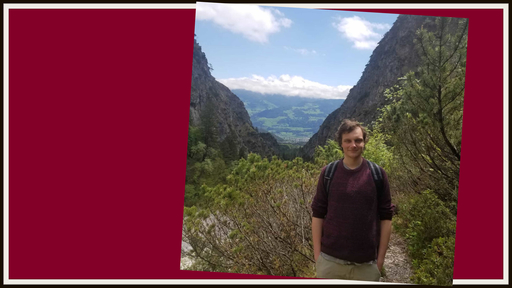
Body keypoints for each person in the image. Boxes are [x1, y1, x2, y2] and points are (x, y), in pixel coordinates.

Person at [311, 119, 394, 281]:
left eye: (358, 140)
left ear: (364, 142)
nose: (353, 145)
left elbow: (386, 217)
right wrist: (318, 256)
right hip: (330, 262)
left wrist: (380, 261)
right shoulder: (328, 173)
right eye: (347, 141)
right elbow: (317, 214)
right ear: (340, 144)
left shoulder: (378, 174)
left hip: (366, 265)